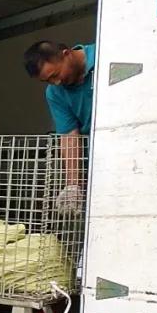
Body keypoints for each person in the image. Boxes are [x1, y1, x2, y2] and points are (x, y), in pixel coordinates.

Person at [23, 40, 96, 212]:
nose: (56, 82)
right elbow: (69, 135)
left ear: (66, 54)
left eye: (55, 75)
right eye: (48, 80)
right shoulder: (54, 93)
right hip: (96, 159)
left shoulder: (105, 53)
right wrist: (73, 186)